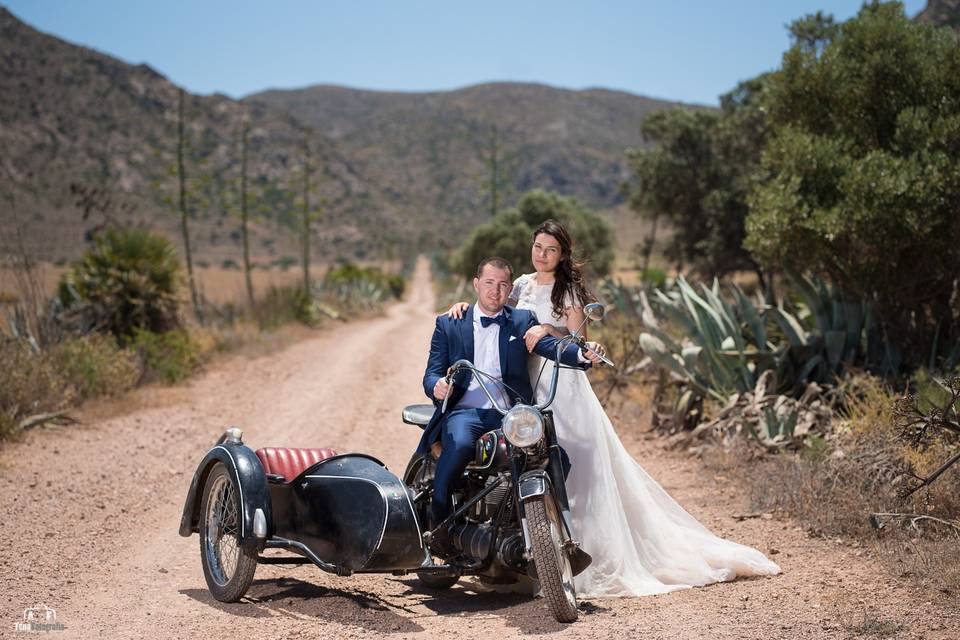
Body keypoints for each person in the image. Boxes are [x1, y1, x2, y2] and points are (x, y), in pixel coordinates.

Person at [445, 219, 781, 597]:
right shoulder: (519, 284)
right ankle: (527, 545)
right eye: (538, 247)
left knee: (572, 460)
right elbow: (491, 309)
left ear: (562, 255)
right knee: (523, 459)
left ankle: (580, 550)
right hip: (523, 383)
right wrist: (462, 305)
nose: (542, 255)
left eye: (551, 250)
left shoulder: (567, 290)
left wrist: (546, 331)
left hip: (561, 380)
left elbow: (578, 341)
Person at [421, 256, 606, 555]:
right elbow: (432, 372)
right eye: (489, 283)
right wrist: (437, 386)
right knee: (458, 448)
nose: (495, 292)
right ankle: (439, 527)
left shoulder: (521, 321)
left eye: (503, 285)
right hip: (466, 413)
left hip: (511, 414)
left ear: (510, 290)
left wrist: (585, 355)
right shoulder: (449, 323)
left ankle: (539, 532)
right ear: (476, 284)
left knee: (558, 459)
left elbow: (552, 347)